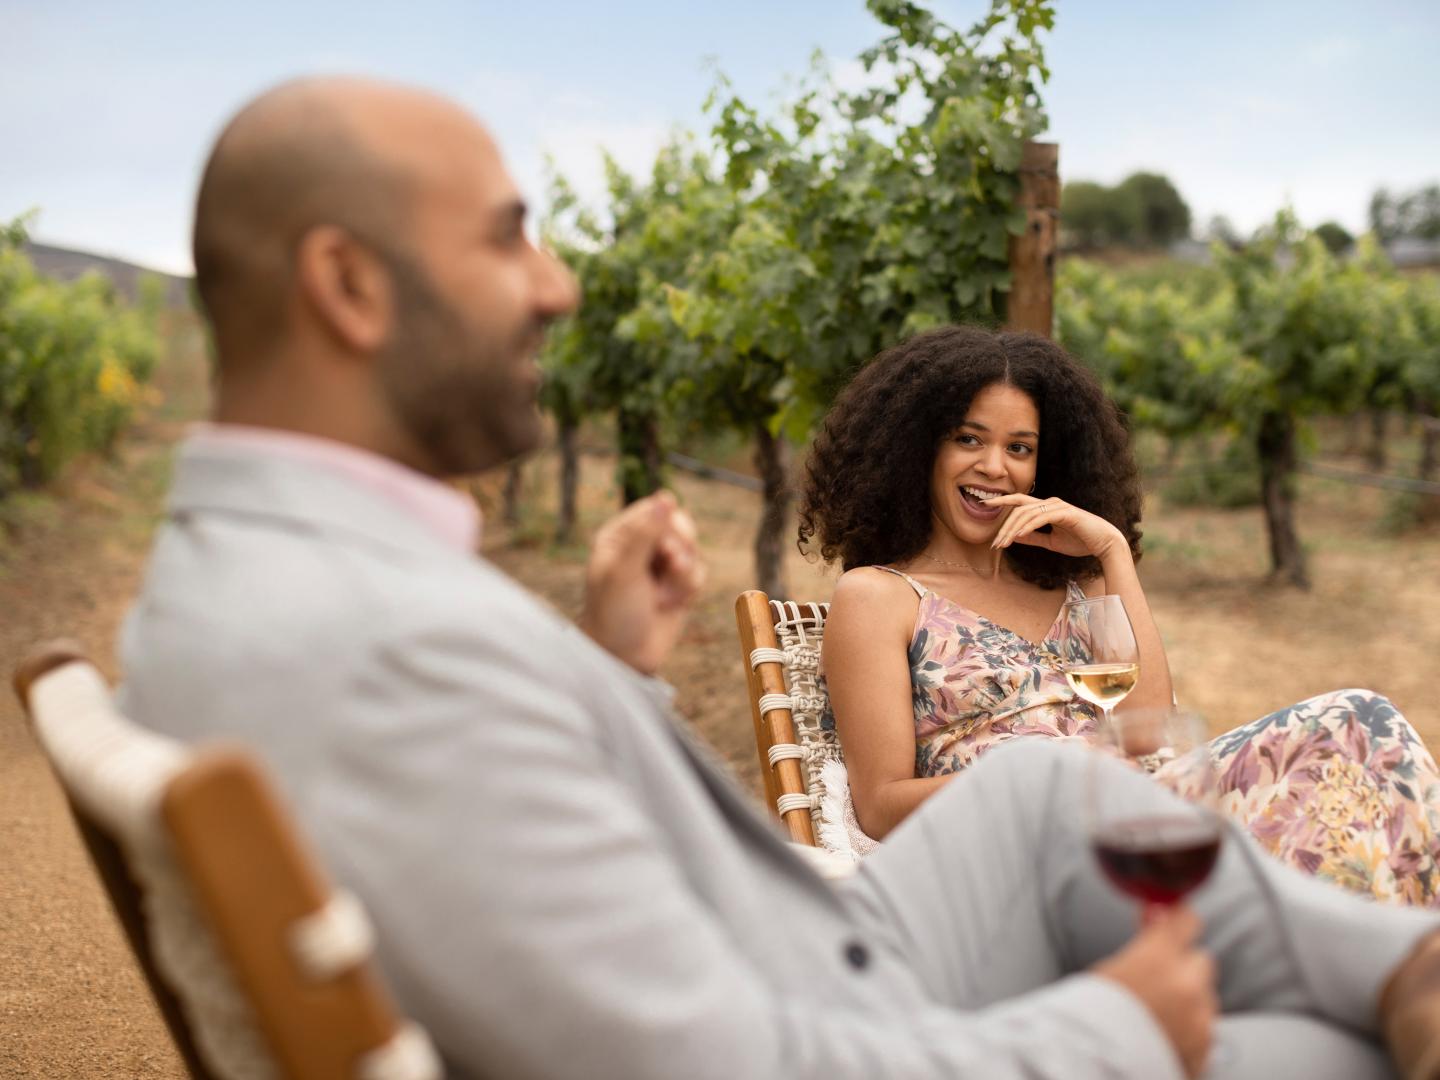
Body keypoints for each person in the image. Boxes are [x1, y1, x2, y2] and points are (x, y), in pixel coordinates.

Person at [117, 75, 1440, 1080]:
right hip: (838, 1001)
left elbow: (548, 858)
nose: (559, 286)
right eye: (510, 239)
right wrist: (1113, 1028)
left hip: (810, 940)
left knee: (1051, 791)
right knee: (1320, 1047)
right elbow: (732, 1056)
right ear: (349, 285)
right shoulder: (382, 648)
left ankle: (1410, 970)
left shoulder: (281, 585)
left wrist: (612, 674)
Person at [798, 326, 1440, 904]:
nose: (994, 467)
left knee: (1361, 730)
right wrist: (1047, 779)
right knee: (1350, 733)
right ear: (920, 449)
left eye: (1020, 448)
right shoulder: (879, 597)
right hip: (1028, 850)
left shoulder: (1075, 588)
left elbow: (1149, 729)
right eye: (969, 439)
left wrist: (1110, 552)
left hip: (1137, 814)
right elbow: (880, 805)